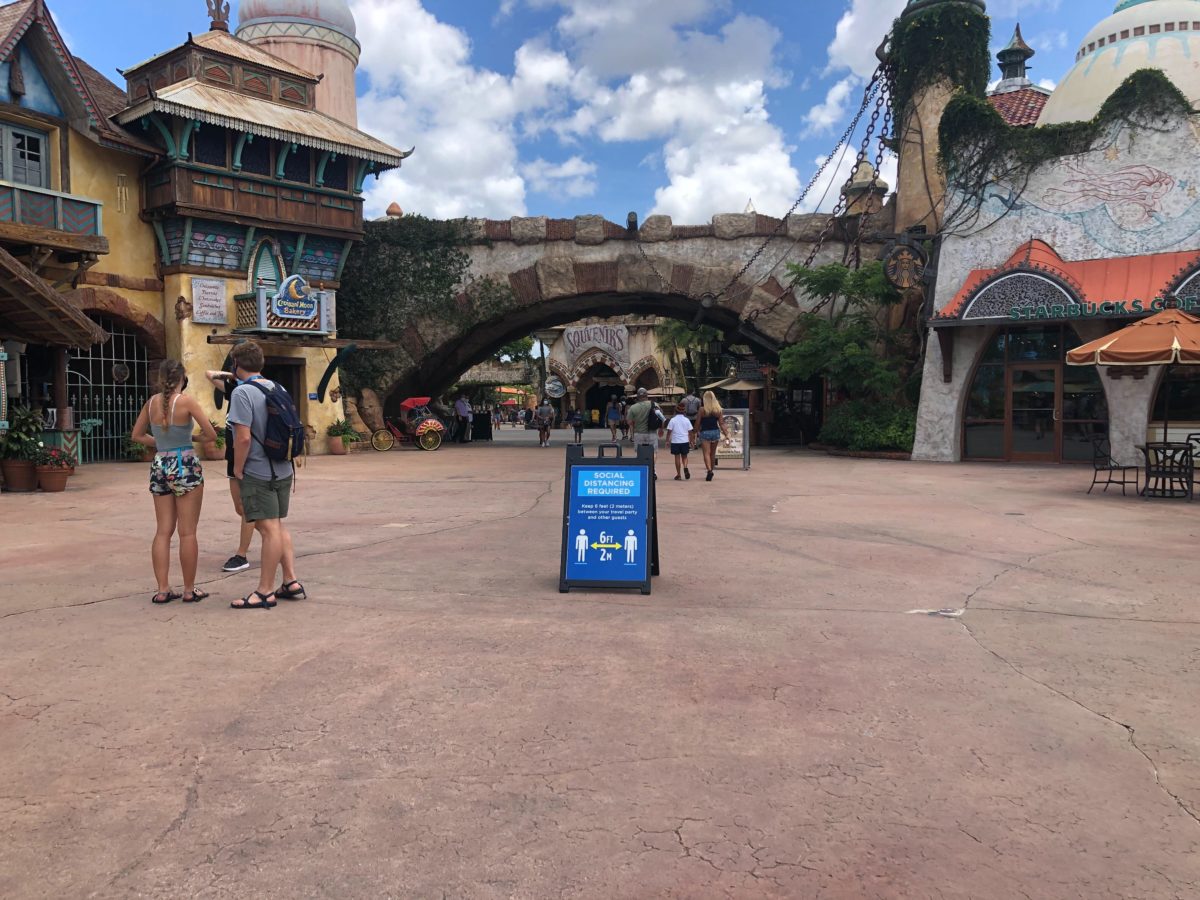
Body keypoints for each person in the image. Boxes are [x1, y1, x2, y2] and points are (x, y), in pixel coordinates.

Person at [131, 359, 220, 604]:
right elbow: (211, 434)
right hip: (185, 463)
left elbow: (137, 435)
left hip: (160, 464)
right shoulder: (187, 401)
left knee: (163, 531)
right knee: (187, 532)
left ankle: (162, 589)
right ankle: (190, 589)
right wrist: (190, 438)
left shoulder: (151, 403)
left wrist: (161, 443)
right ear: (183, 378)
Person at [227, 341, 304, 610]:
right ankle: (291, 580)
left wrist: (238, 469)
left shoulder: (242, 393)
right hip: (283, 468)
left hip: (258, 471)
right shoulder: (277, 387)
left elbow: (243, 438)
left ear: (237, 364)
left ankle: (264, 591)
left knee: (268, 529)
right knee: (278, 526)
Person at [206, 368, 257, 573]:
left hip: (247, 458)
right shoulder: (235, 390)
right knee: (240, 508)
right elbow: (209, 374)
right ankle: (273, 535)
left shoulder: (251, 391)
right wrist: (232, 376)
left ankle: (241, 554)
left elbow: (245, 436)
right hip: (232, 458)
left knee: (248, 508)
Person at [626, 387, 664, 471]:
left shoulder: (633, 408)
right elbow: (661, 418)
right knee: (653, 452)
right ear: (647, 395)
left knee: (640, 453)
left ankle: (642, 470)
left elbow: (630, 423)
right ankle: (652, 470)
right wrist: (661, 429)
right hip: (652, 433)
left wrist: (632, 435)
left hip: (639, 433)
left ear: (637, 397)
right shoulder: (655, 405)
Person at [695, 390, 730, 482]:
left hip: (705, 432)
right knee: (713, 453)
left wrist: (694, 431)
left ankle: (709, 470)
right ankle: (712, 469)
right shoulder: (718, 410)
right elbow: (721, 423)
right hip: (715, 432)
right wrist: (726, 434)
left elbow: (697, 423)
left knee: (706, 453)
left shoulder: (702, 410)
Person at [665, 401, 694, 480]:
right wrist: (691, 441)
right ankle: (685, 467)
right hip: (685, 441)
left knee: (677, 457)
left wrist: (667, 441)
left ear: (675, 411)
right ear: (684, 412)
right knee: (684, 456)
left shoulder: (673, 420)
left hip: (675, 441)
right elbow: (690, 432)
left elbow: (669, 432)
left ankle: (678, 474)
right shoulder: (687, 420)